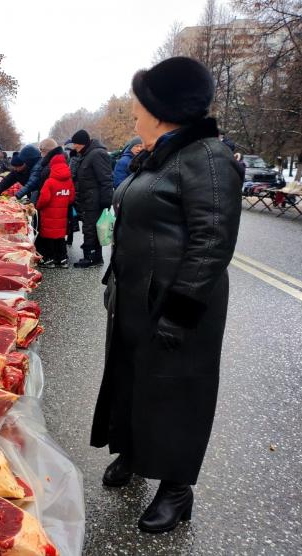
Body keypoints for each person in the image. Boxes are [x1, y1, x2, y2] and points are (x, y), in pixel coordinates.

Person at [91, 56, 242, 534]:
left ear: (161, 110)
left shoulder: (209, 159)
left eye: (138, 107)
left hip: (179, 304)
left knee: (177, 391)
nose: (133, 115)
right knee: (135, 380)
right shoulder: (165, 154)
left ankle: (177, 489)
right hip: (139, 298)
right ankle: (134, 455)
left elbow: (212, 242)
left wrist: (179, 313)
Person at [70, 129, 113, 267]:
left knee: (90, 229)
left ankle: (90, 258)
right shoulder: (86, 154)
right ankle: (95, 257)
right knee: (91, 228)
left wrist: (106, 202)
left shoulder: (97, 154)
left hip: (94, 200)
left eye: (76, 144)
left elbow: (106, 179)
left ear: (83, 143)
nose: (74, 146)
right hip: (88, 199)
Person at [35, 147, 75, 268]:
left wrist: (38, 206)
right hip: (62, 215)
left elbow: (44, 199)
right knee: (60, 238)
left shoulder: (50, 181)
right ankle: (63, 260)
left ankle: (50, 260)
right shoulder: (69, 181)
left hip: (48, 215)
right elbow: (71, 198)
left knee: (49, 238)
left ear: (52, 166)